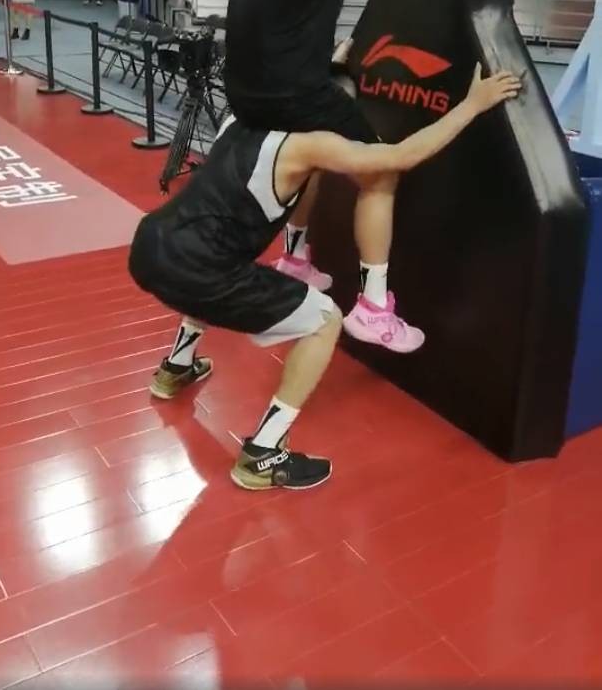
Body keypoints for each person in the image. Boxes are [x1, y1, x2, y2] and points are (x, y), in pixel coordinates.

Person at [129, 64, 521, 491]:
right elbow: (398, 158)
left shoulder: (242, 117)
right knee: (324, 320)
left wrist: (335, 60)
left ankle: (177, 366)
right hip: (197, 267)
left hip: (151, 244)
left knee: (219, 265)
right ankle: (263, 453)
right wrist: (472, 105)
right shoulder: (307, 145)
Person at [224, 0, 507, 353]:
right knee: (380, 173)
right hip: (292, 91)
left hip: (244, 90)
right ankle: (374, 308)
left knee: (306, 154)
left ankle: (295, 259)